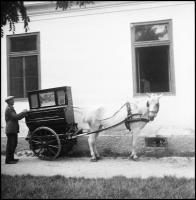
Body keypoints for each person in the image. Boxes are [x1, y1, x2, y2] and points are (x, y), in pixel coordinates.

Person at [4, 96, 28, 164]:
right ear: (9, 101)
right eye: (12, 100)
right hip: (11, 130)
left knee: (14, 144)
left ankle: (12, 159)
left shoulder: (10, 108)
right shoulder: (9, 109)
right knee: (10, 145)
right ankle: (8, 160)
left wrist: (24, 114)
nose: (13, 101)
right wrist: (23, 112)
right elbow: (16, 117)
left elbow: (17, 117)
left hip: (13, 129)